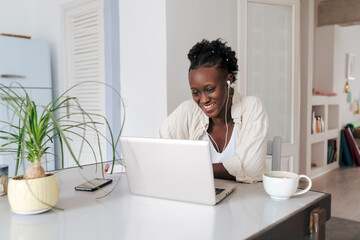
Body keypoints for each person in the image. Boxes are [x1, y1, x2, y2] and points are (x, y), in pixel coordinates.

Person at [158, 39, 268, 183]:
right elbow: (158, 151)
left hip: (249, 198)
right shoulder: (188, 110)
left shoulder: (252, 108)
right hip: (202, 196)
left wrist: (193, 169)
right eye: (196, 92)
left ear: (228, 80)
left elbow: (251, 169)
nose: (203, 100)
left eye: (210, 90)